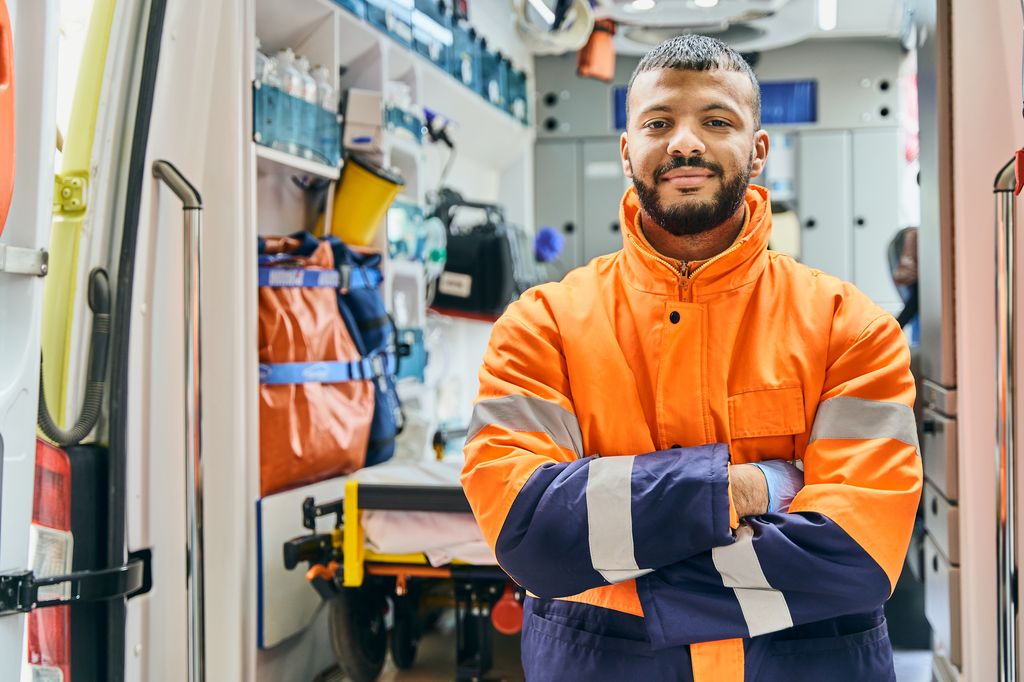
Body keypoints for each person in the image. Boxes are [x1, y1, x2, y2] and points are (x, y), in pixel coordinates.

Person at [461, 35, 922, 681]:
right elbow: (531, 535)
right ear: (627, 151)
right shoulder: (543, 326)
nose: (684, 143)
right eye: (658, 123)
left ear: (758, 150)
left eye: (716, 121)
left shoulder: (850, 329)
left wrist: (621, 562)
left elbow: (856, 557)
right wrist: (752, 486)